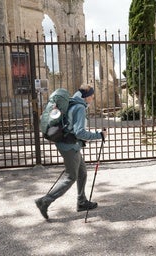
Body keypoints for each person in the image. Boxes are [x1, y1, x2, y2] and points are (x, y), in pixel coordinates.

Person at [35, 84, 107, 220]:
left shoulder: (73, 102)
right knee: (70, 177)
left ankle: (82, 201)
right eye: (92, 95)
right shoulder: (79, 108)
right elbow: (80, 132)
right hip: (69, 147)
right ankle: (45, 201)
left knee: (82, 172)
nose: (93, 97)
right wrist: (99, 135)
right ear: (86, 97)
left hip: (68, 144)